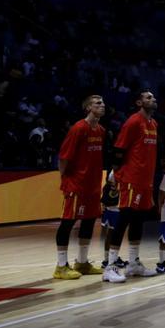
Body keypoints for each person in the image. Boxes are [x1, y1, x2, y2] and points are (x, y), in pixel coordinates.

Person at [107, 89, 160, 281]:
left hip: (145, 182)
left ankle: (133, 264)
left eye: (153, 97)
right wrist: (116, 173)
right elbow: (118, 150)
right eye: (148, 97)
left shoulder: (153, 124)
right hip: (131, 180)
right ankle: (110, 266)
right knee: (124, 220)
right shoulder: (133, 121)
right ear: (139, 103)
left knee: (138, 222)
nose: (152, 99)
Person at [53, 94, 107, 280]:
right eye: (98, 103)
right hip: (76, 185)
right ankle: (61, 266)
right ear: (88, 108)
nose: (102, 105)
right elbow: (63, 158)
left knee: (89, 221)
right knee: (68, 223)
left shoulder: (100, 130)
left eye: (103, 103)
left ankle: (82, 262)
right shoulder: (78, 128)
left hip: (92, 186)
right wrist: (66, 179)